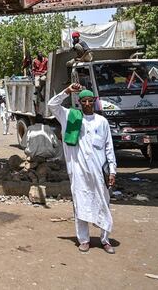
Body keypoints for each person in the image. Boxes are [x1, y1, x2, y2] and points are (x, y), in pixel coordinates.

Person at [48, 84, 117, 254]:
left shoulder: (102, 122)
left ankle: (105, 239)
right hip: (78, 171)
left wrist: (113, 170)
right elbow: (52, 105)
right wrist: (67, 91)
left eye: (90, 100)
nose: (87, 103)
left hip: (99, 172)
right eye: (84, 101)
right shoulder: (70, 117)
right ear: (79, 102)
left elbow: (109, 148)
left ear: (94, 102)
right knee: (81, 204)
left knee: (103, 204)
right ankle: (84, 240)